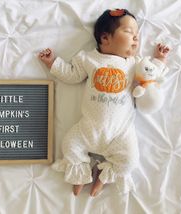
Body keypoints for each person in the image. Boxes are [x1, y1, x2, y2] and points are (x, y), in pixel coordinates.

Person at [39, 9, 169, 197]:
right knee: (69, 145)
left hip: (120, 133)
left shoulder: (134, 63)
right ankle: (81, 174)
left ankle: (104, 176)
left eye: (137, 35)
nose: (136, 38)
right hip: (88, 128)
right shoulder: (89, 58)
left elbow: (150, 72)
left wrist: (160, 59)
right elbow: (72, 75)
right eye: (129, 32)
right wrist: (53, 63)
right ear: (105, 38)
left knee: (130, 161)